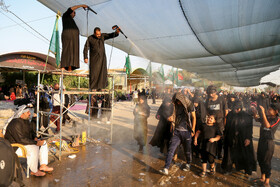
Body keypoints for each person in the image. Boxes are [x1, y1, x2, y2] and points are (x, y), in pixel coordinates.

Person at [4, 105, 53, 177]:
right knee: (34, 147)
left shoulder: (26, 121)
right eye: (27, 112)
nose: (29, 114)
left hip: (24, 143)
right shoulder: (15, 123)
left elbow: (31, 133)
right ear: (21, 114)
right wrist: (35, 143)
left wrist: (36, 138)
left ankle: (43, 165)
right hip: (15, 147)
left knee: (43, 143)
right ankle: (34, 171)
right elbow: (20, 139)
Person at [159, 92, 196, 175]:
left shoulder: (189, 105)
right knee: (171, 149)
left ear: (182, 99)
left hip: (187, 131)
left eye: (178, 101)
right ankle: (166, 168)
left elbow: (194, 117)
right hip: (177, 131)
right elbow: (173, 115)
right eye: (176, 101)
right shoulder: (175, 105)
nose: (177, 103)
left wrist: (193, 129)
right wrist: (171, 119)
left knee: (187, 150)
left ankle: (188, 163)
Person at [221, 101, 256, 175]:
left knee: (244, 154)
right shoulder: (230, 114)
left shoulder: (246, 116)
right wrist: (224, 134)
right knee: (229, 154)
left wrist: (248, 138)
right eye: (234, 109)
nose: (236, 110)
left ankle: (246, 169)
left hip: (242, 137)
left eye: (237, 109)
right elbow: (227, 126)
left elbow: (249, 128)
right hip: (231, 136)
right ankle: (228, 169)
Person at [253, 104, 280, 187]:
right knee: (260, 159)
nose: (268, 110)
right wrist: (254, 113)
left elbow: (268, 126)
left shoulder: (277, 119)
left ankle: (267, 181)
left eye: (270, 109)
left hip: (269, 143)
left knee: (266, 162)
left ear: (276, 112)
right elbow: (257, 119)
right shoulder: (267, 116)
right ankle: (262, 177)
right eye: (268, 109)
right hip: (262, 141)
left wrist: (263, 113)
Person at [61, 4, 88, 71]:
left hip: (74, 38)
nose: (74, 14)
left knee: (73, 52)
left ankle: (70, 67)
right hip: (67, 36)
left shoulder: (71, 20)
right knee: (66, 50)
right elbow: (71, 8)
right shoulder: (65, 16)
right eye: (74, 12)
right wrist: (82, 5)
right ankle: (63, 67)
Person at [205, 85, 228, 159]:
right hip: (211, 122)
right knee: (211, 137)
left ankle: (219, 153)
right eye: (209, 93)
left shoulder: (221, 99)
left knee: (220, 137)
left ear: (216, 92)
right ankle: (211, 152)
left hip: (220, 122)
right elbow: (206, 111)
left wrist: (225, 123)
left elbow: (226, 111)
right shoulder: (208, 100)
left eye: (212, 93)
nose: (211, 95)